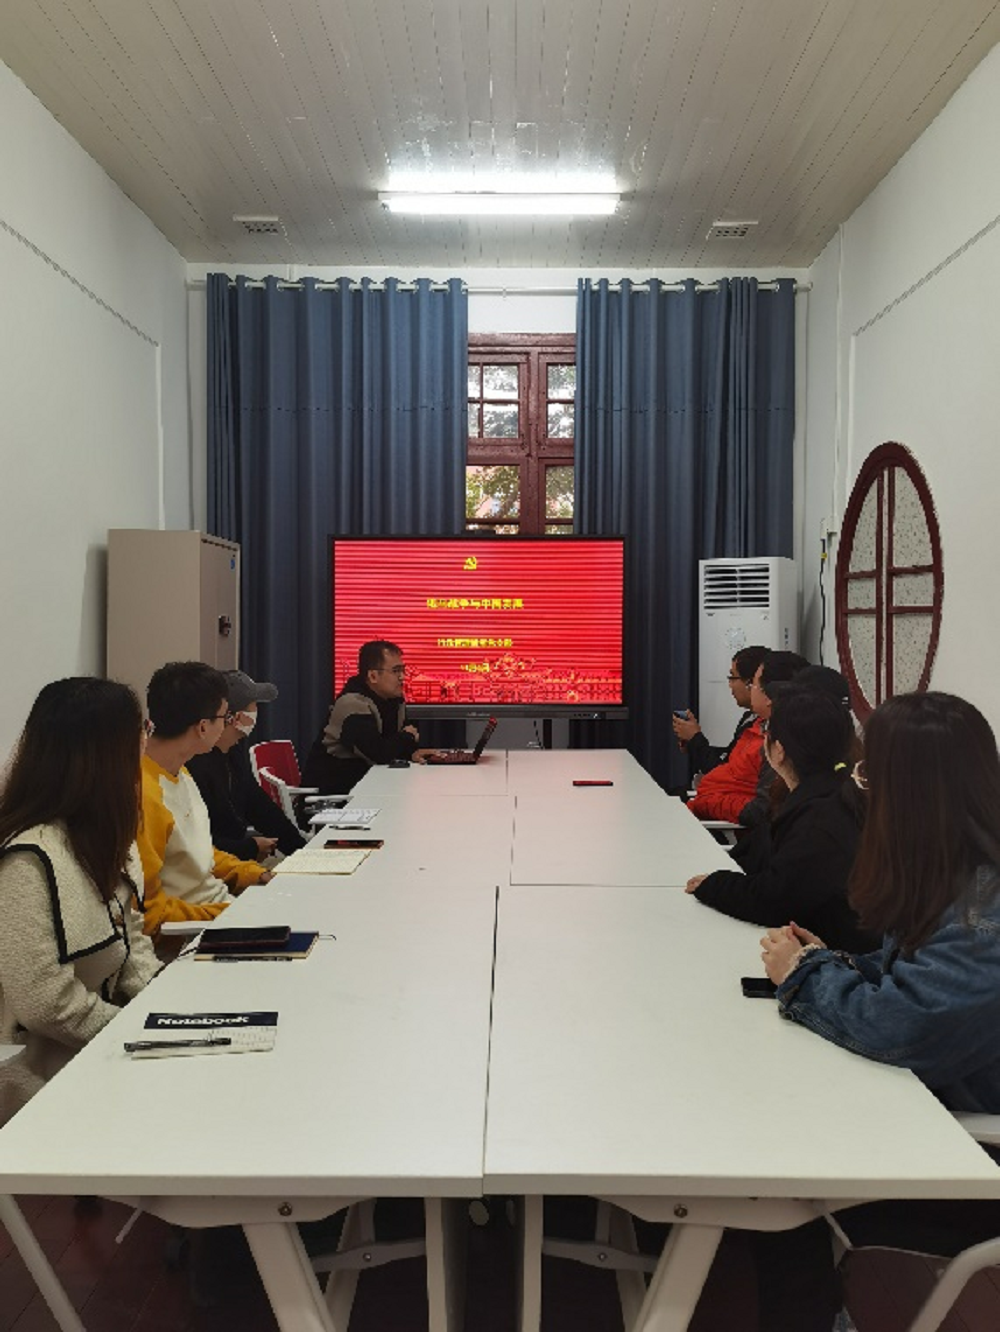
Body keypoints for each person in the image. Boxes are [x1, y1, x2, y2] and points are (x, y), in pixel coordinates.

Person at [752, 691, 1000, 1331]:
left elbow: (902, 1028)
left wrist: (805, 975)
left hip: (972, 1158)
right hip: (939, 1113)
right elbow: (911, 982)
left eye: (868, 774)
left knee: (770, 1173)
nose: (858, 788)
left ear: (908, 795)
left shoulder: (984, 911)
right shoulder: (959, 874)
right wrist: (830, 961)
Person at [0, 678, 160, 1123]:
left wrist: (168, 1009)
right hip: (41, 1079)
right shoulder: (27, 860)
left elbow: (131, 943)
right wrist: (132, 1032)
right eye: (141, 730)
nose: (146, 742)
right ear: (107, 751)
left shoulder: (108, 839)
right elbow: (45, 1003)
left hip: (99, 1053)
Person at [686, 680, 875, 951]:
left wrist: (715, 885)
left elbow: (772, 901)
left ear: (778, 750)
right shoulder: (840, 792)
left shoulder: (819, 819)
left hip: (836, 956)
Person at [138, 661, 271, 936]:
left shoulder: (180, 771)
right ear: (202, 727)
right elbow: (148, 913)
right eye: (223, 717)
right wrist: (229, 914)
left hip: (218, 910)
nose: (225, 725)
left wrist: (253, 873)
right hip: (194, 932)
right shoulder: (144, 794)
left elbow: (197, 855)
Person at [186, 669, 305, 862]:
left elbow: (260, 807)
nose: (257, 712)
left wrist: (302, 852)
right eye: (254, 706)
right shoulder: (195, 766)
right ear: (234, 717)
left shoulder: (233, 751)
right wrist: (249, 848)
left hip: (236, 860)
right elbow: (198, 844)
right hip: (219, 866)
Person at [687, 650, 809, 826]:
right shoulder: (755, 726)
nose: (750, 688)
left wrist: (707, 802)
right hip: (709, 807)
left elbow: (762, 810)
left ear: (769, 695)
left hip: (727, 825)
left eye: (754, 683)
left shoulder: (778, 744)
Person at [302, 640, 439, 794]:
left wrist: (412, 753)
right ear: (373, 676)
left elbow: (393, 747)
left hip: (369, 790)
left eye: (403, 670)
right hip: (333, 797)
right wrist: (407, 737)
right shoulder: (351, 704)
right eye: (396, 671)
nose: (402, 677)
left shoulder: (394, 701)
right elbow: (378, 754)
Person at [672, 644, 767, 776]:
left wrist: (695, 738)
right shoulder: (749, 717)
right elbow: (729, 756)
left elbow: (723, 772)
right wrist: (692, 743)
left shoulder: (764, 729)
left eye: (733, 677)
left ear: (751, 683)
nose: (730, 685)